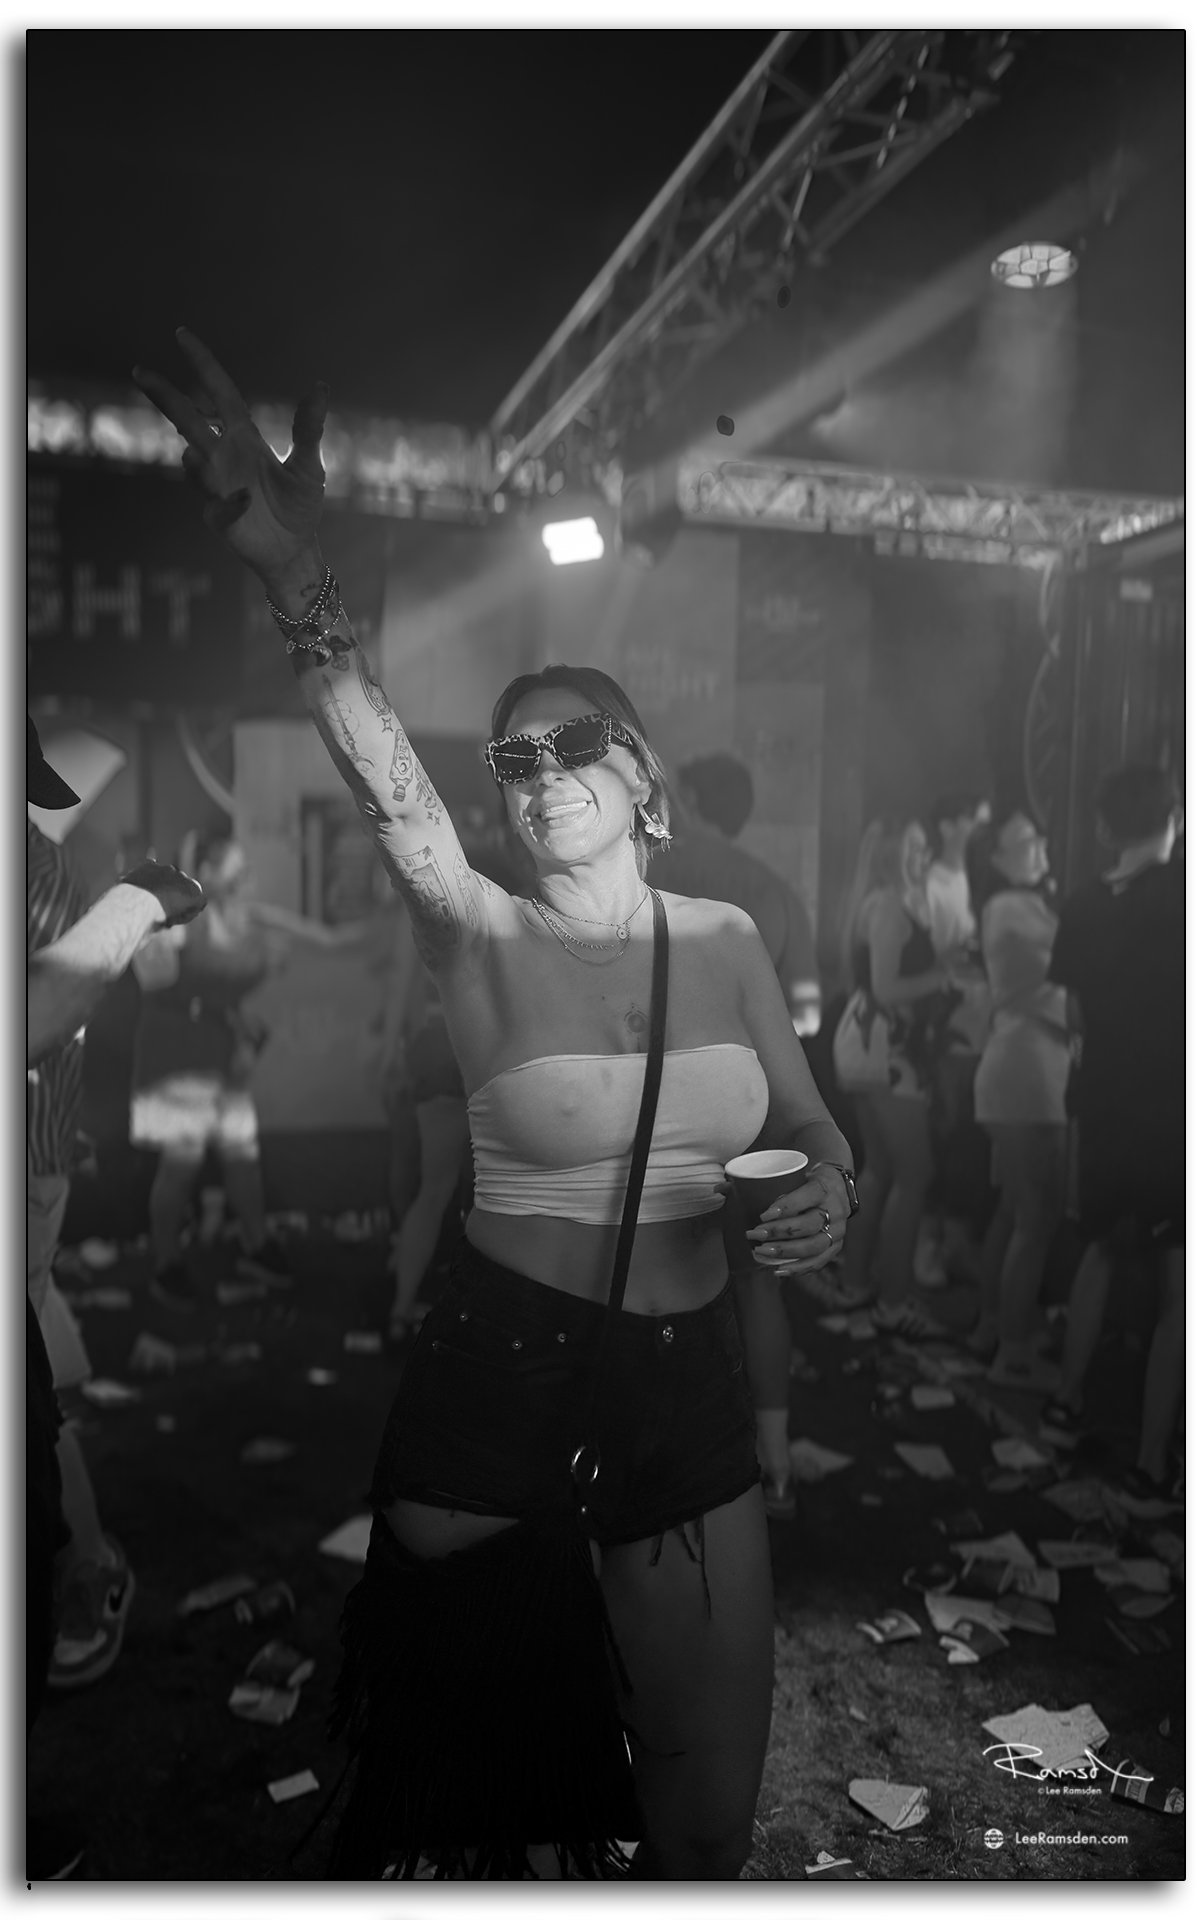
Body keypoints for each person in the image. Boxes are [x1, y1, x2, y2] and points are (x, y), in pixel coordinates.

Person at [135, 331, 857, 1881]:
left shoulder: (724, 944)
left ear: (644, 784)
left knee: (701, 1814)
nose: (532, 772)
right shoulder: (475, 922)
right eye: (512, 755)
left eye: (568, 745)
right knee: (473, 1803)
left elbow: (817, 1123)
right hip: (498, 1376)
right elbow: (388, 767)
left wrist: (832, 1186)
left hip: (685, 1380)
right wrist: (285, 556)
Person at [26, 716, 205, 1875]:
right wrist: (145, 895)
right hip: (43, 1153)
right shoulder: (48, 855)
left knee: (40, 1364)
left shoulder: (36, 852)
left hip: (36, 1158)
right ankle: (83, 1570)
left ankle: (82, 1569)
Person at [654, 758, 820, 1520]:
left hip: (662, 1114)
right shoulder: (778, 891)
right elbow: (808, 1022)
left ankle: (664, 1464)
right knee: (759, 1285)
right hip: (762, 1119)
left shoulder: (650, 870)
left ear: (685, 797)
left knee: (655, 1279)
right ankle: (776, 1464)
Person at [130, 829, 363, 1310]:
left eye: (246, 873)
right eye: (234, 872)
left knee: (243, 1156)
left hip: (225, 1053)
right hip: (177, 1057)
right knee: (182, 1163)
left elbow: (328, 940)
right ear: (208, 873)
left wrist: (397, 920)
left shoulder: (253, 920)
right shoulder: (179, 921)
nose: (244, 881)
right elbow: (152, 977)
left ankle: (256, 1248)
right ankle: (165, 1264)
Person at [1038, 766, 1185, 1507]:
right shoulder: (1183, 898)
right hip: (1172, 1113)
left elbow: (1073, 1018)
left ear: (1103, 828)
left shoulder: (1086, 902)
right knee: (1178, 1284)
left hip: (1103, 1104)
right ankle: (1154, 1458)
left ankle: (1066, 1401)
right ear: (1175, 818)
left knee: (1098, 1248)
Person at [831, 817, 963, 1336]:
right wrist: (944, 976)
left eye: (924, 846)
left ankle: (857, 1284)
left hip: (870, 1045)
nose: (923, 855)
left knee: (882, 1169)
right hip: (888, 1049)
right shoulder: (888, 906)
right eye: (912, 847)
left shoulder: (883, 903)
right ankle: (892, 1301)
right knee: (914, 1175)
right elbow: (887, 987)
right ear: (889, 853)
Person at [967, 811, 1070, 1390]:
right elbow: (1065, 966)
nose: (1041, 846)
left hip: (1020, 1071)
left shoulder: (1016, 904)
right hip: (1029, 1077)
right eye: (1027, 840)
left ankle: (992, 1328)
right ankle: (1014, 1351)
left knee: (1014, 1212)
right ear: (1000, 860)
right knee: (1036, 1218)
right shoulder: (1010, 906)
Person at [917, 790, 992, 1289]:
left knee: (971, 1146)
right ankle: (926, 1250)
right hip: (947, 1030)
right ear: (948, 825)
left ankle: (959, 1248)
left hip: (985, 1026)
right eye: (972, 816)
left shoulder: (983, 882)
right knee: (940, 1141)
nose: (981, 825)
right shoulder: (930, 883)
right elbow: (924, 962)